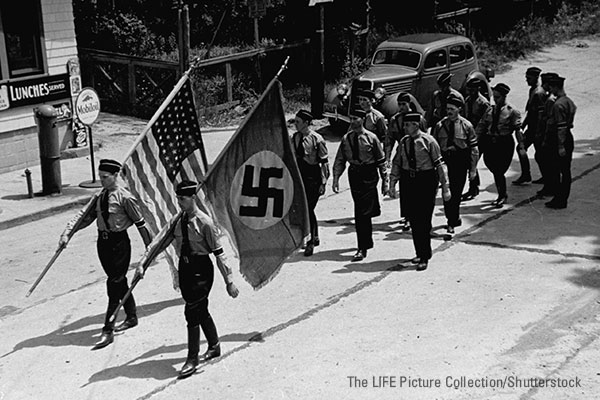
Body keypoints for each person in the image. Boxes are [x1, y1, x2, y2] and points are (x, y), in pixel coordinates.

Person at [136, 180, 239, 378]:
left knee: (191, 311)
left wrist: (229, 281)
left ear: (193, 198)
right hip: (185, 269)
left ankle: (192, 358)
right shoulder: (178, 220)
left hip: (201, 271)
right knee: (199, 309)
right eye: (178, 199)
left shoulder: (205, 223)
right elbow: (160, 242)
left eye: (182, 199)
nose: (179, 203)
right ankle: (214, 344)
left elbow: (219, 254)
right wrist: (143, 264)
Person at [59, 159, 153, 350]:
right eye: (100, 177)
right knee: (118, 280)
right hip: (103, 243)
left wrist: (149, 248)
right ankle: (132, 315)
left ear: (116, 175)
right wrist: (67, 233)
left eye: (105, 177)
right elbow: (85, 216)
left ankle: (107, 329)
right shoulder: (100, 196)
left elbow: (141, 223)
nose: (101, 180)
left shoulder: (125, 197)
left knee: (114, 284)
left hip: (119, 243)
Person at [389, 112, 450, 271]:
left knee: (423, 220)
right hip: (409, 181)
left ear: (415, 125)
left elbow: (439, 165)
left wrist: (445, 187)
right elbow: (397, 162)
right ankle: (419, 252)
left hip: (426, 181)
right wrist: (392, 183)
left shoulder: (429, 141)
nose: (404, 127)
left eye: (407, 124)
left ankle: (425, 256)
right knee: (414, 220)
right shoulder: (404, 142)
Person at [332, 109, 387, 262]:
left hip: (369, 174)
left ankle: (362, 247)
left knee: (362, 212)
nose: (352, 121)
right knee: (361, 210)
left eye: (355, 118)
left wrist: (385, 182)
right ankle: (365, 242)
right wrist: (336, 178)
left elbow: (381, 161)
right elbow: (340, 160)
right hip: (355, 174)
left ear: (362, 119)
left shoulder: (372, 138)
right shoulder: (346, 139)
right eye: (351, 118)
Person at [432, 95, 478, 234]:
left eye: (452, 109)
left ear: (459, 109)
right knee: (447, 191)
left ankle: (453, 219)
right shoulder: (440, 125)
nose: (449, 111)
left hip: (460, 162)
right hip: (445, 162)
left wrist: (473, 169)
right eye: (447, 109)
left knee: (456, 193)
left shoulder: (467, 126)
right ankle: (451, 219)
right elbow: (434, 147)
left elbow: (474, 149)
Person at [385, 91, 427, 231]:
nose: (401, 107)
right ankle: (407, 217)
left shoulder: (418, 119)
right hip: (402, 156)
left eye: (404, 104)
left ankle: (417, 215)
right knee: (405, 188)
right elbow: (389, 139)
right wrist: (388, 157)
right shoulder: (395, 120)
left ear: (410, 104)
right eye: (399, 104)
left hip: (417, 156)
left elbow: (425, 138)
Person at [477, 83, 523, 208]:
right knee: (490, 164)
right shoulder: (490, 110)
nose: (495, 100)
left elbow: (518, 130)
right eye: (494, 97)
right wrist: (475, 139)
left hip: (504, 142)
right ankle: (502, 193)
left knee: (499, 170)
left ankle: (502, 195)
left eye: (497, 97)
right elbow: (482, 125)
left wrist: (522, 146)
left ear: (504, 96)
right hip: (490, 142)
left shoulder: (512, 111)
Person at [292, 109, 330, 256]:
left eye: (298, 122)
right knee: (303, 209)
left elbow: (324, 162)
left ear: (306, 123)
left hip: (313, 177)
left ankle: (310, 242)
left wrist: (323, 182)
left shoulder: (317, 139)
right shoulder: (295, 137)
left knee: (308, 209)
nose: (295, 125)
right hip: (300, 176)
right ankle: (313, 236)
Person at [543, 75, 577, 209]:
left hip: (558, 138)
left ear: (556, 87)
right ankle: (562, 198)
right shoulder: (568, 101)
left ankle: (559, 199)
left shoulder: (558, 104)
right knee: (565, 170)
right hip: (568, 136)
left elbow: (561, 126)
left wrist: (560, 145)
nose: (550, 90)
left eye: (551, 87)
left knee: (557, 170)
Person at [513, 66, 548, 186]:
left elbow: (540, 115)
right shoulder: (533, 90)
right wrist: (523, 125)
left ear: (536, 77)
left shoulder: (538, 93)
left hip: (537, 129)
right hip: (532, 127)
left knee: (539, 154)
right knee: (523, 149)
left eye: (529, 78)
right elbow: (530, 112)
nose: (527, 80)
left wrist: (538, 133)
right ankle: (528, 175)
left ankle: (544, 176)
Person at [461, 78, 491, 201]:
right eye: (468, 89)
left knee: (472, 161)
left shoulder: (483, 103)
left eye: (472, 89)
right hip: (469, 135)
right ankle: (474, 187)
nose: (470, 92)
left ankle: (473, 188)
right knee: (470, 162)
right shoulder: (468, 101)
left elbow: (486, 121)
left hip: (480, 137)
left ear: (478, 89)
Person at [536, 72, 559, 197]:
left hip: (548, 135)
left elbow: (548, 120)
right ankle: (550, 186)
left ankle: (550, 187)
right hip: (550, 134)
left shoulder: (550, 100)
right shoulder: (552, 97)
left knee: (547, 161)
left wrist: (543, 137)